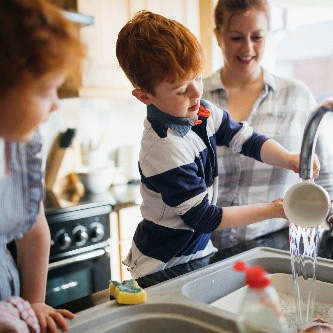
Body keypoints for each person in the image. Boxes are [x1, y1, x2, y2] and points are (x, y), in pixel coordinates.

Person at [116, 10, 320, 278]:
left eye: (198, 78)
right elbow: (205, 218)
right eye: (180, 89)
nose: (196, 92)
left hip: (198, 254)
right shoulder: (164, 148)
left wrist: (290, 159)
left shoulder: (200, 112)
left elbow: (247, 139)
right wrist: (275, 210)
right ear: (144, 96)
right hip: (162, 265)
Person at [202, 0, 333, 249]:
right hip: (205, 249)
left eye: (257, 37)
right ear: (218, 35)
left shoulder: (297, 96)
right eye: (236, 37)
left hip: (275, 244)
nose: (248, 48)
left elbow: (324, 174)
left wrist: (330, 214)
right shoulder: (195, 99)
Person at [0, 0, 84, 332]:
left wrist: (34, 301)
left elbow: (34, 232)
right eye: (46, 90)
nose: (54, 105)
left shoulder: (19, 144)